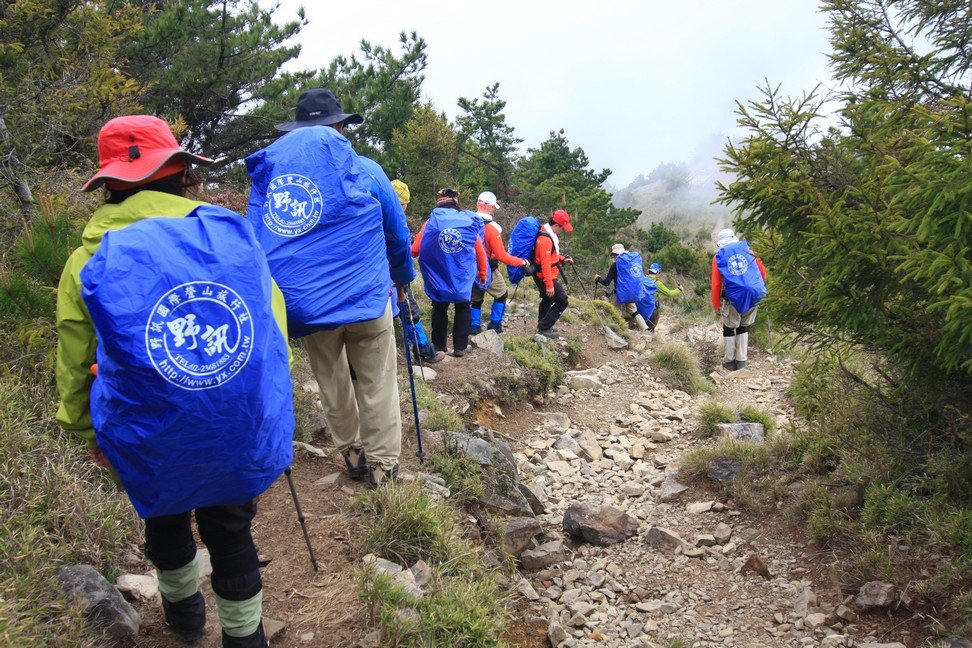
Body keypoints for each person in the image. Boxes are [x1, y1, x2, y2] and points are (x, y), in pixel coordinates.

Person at [57, 115, 292, 648]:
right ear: (182, 170)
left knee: (163, 516)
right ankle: (244, 637)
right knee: (231, 528)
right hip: (236, 415)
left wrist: (84, 427)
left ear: (109, 183)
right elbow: (270, 330)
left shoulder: (87, 257)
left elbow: (76, 355)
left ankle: (185, 620)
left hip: (144, 426)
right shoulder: (233, 239)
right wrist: (268, 406)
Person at [246, 88, 414, 487]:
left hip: (307, 303)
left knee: (332, 379)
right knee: (377, 379)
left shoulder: (274, 179)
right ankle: (383, 465)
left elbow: (255, 240)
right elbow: (397, 235)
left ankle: (352, 453)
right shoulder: (368, 170)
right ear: (339, 127)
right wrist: (402, 280)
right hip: (368, 299)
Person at [411, 189, 488, 357]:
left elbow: (415, 251)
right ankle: (460, 347)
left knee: (439, 308)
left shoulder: (430, 222)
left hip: (438, 278)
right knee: (462, 307)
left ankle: (439, 347)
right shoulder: (467, 222)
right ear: (456, 204)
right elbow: (480, 251)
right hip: (461, 277)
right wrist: (482, 273)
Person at [390, 179, 445, 363]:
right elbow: (401, 250)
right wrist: (404, 277)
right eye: (405, 204)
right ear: (402, 203)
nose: (406, 207)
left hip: (376, 274)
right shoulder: (396, 219)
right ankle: (424, 350)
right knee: (409, 311)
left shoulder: (375, 213)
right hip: (395, 276)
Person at [469, 190, 529, 334]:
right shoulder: (492, 228)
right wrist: (522, 262)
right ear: (490, 207)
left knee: (475, 298)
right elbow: (502, 256)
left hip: (469, 269)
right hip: (488, 269)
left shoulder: (467, 222)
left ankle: (474, 326)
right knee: (502, 294)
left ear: (478, 203)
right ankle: (495, 324)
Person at [711, 228, 767, 370]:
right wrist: (757, 288)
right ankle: (741, 360)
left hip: (733, 298)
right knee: (744, 325)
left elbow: (716, 283)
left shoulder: (719, 257)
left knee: (729, 326)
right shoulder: (749, 250)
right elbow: (762, 272)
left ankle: (729, 361)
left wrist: (716, 304)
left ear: (720, 244)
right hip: (754, 293)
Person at [534, 209, 574, 338]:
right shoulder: (546, 240)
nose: (562, 231)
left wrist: (562, 259)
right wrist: (549, 284)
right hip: (545, 276)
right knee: (563, 301)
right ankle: (544, 327)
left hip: (543, 274)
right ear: (556, 225)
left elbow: (551, 255)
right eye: (562, 228)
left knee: (547, 299)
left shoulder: (547, 233)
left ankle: (542, 324)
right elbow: (545, 263)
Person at [595, 242, 640, 322]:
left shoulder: (615, 265)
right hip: (631, 291)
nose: (612, 257)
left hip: (619, 293)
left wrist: (598, 278)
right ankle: (646, 329)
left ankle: (619, 329)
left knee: (615, 311)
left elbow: (606, 283)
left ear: (615, 255)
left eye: (613, 255)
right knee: (634, 312)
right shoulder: (630, 264)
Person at [645, 262, 683, 330]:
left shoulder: (643, 279)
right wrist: (679, 289)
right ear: (657, 272)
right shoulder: (657, 283)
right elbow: (669, 293)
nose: (660, 274)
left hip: (641, 307)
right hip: (652, 309)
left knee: (643, 327)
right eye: (660, 272)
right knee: (651, 328)